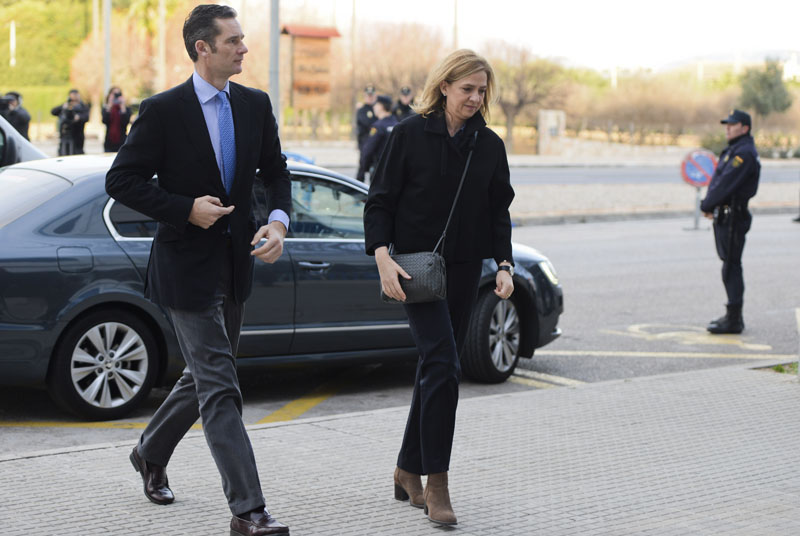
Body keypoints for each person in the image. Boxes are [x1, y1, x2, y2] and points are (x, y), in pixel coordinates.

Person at [106, 5, 292, 535]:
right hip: (184, 269)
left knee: (204, 377)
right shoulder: (164, 110)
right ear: (202, 48)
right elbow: (122, 180)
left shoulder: (255, 105)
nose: (244, 48)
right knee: (219, 384)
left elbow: (277, 173)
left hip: (236, 266)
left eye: (243, 38)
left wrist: (277, 224)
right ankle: (249, 511)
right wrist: (184, 206)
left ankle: (149, 452)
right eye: (233, 40)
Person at [363, 49, 515, 526]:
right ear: (444, 86)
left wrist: (504, 264)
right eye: (467, 88)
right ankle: (437, 482)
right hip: (414, 271)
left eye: (482, 90)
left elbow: (498, 211)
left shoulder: (488, 145)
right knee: (446, 364)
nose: (475, 98)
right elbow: (380, 201)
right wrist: (382, 258)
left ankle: (406, 470)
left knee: (434, 365)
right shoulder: (407, 134)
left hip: (466, 269)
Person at [700, 109, 760, 334]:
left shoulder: (743, 154)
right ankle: (732, 316)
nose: (727, 127)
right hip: (726, 214)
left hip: (734, 215)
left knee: (731, 266)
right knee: (729, 264)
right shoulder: (735, 150)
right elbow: (718, 182)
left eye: (732, 124)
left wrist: (706, 205)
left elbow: (726, 184)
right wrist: (712, 204)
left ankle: (734, 319)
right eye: (727, 124)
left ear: (744, 128)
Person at [356, 95, 398, 183]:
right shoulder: (398, 125)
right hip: (395, 172)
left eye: (376, 104)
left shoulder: (378, 127)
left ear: (381, 106)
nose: (374, 107)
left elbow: (367, 151)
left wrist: (361, 173)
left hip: (379, 172)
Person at [51, 89, 90, 155]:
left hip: (77, 138)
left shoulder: (83, 107)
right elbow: (53, 112)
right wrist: (63, 107)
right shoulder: (66, 106)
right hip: (65, 136)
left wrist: (78, 117)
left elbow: (86, 117)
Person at [101, 86, 132, 152]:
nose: (116, 96)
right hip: (109, 141)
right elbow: (104, 121)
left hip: (122, 141)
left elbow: (126, 122)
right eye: (114, 94)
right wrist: (109, 105)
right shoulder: (106, 108)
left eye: (118, 94)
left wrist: (122, 107)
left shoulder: (126, 109)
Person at [355, 84, 377, 152]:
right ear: (365, 96)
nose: (370, 97)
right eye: (368, 95)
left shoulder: (379, 108)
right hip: (365, 142)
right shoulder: (362, 110)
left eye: (372, 95)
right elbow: (367, 123)